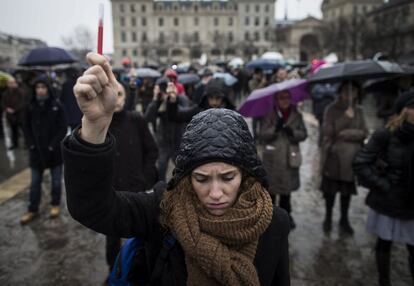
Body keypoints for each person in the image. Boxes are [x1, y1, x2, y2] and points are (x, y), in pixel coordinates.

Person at [63, 53, 290, 285]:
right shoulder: (163, 210)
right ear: (186, 177)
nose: (215, 193)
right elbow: (92, 208)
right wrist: (94, 126)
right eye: (201, 179)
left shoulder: (274, 224)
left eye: (228, 177)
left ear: (245, 175)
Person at [353, 90, 414, 286]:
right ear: (404, 111)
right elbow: (361, 163)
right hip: (388, 201)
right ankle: (384, 281)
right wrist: (384, 185)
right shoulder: (386, 134)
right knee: (384, 243)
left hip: (411, 203)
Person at [104, 82, 159, 276]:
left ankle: (140, 269)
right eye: (112, 95)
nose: (116, 99)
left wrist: (146, 178)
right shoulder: (101, 123)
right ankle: (114, 270)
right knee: (112, 236)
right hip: (110, 192)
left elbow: (152, 150)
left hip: (136, 189)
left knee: (139, 234)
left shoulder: (136, 120)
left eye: (119, 95)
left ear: (125, 98)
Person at [320, 81, 368, 234]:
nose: (349, 93)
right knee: (330, 191)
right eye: (346, 90)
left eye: (353, 91)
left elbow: (364, 132)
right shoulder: (331, 109)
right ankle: (328, 217)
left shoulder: (359, 110)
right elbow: (328, 132)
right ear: (340, 92)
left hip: (351, 158)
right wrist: (345, 119)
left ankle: (344, 219)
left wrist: (346, 134)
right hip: (334, 157)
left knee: (346, 192)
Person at [21, 75, 67, 224]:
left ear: (48, 88)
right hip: (36, 153)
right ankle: (32, 209)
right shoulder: (30, 106)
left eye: (43, 87)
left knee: (56, 182)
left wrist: (53, 145)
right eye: (38, 88)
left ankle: (55, 204)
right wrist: (31, 144)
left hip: (54, 153)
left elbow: (62, 128)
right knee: (35, 183)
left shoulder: (56, 105)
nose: (40, 90)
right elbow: (25, 127)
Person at [259, 90, 308, 229]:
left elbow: (304, 134)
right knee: (272, 190)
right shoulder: (269, 115)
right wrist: (275, 128)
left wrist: (293, 133)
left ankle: (287, 216)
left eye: (287, 97)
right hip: (273, 158)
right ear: (276, 100)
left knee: (286, 191)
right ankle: (271, 218)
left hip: (289, 157)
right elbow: (262, 134)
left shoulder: (296, 115)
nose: (285, 100)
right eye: (281, 98)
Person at [144, 78, 189, 181]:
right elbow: (147, 119)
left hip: (178, 140)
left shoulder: (181, 99)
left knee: (182, 168)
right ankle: (161, 190)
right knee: (161, 168)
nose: (165, 92)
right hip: (163, 141)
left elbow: (185, 114)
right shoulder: (158, 102)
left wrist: (173, 101)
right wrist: (155, 99)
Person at [167, 78, 235, 123]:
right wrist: (173, 100)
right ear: (206, 97)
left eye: (218, 98)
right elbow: (177, 116)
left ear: (223, 99)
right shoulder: (199, 111)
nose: (214, 102)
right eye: (211, 97)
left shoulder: (231, 115)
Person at [2, 78, 27, 149]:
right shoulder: (5, 93)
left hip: (20, 115)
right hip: (10, 116)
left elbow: (22, 103)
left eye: (13, 83)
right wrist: (6, 108)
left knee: (23, 130)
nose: (11, 84)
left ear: (16, 83)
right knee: (13, 131)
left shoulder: (21, 92)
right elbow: (3, 103)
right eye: (9, 83)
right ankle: (15, 144)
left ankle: (26, 144)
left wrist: (15, 110)